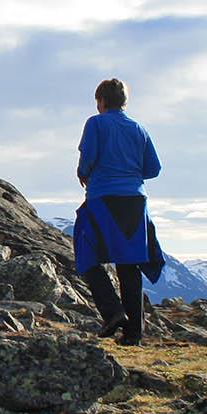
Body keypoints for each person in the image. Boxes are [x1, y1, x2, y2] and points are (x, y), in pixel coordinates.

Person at [73, 78, 164, 344]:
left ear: (100, 101)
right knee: (129, 263)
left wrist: (83, 173)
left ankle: (112, 311)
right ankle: (133, 334)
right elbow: (153, 169)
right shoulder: (139, 128)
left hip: (103, 196)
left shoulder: (96, 123)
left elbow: (88, 157)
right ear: (124, 101)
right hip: (136, 201)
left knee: (86, 251)